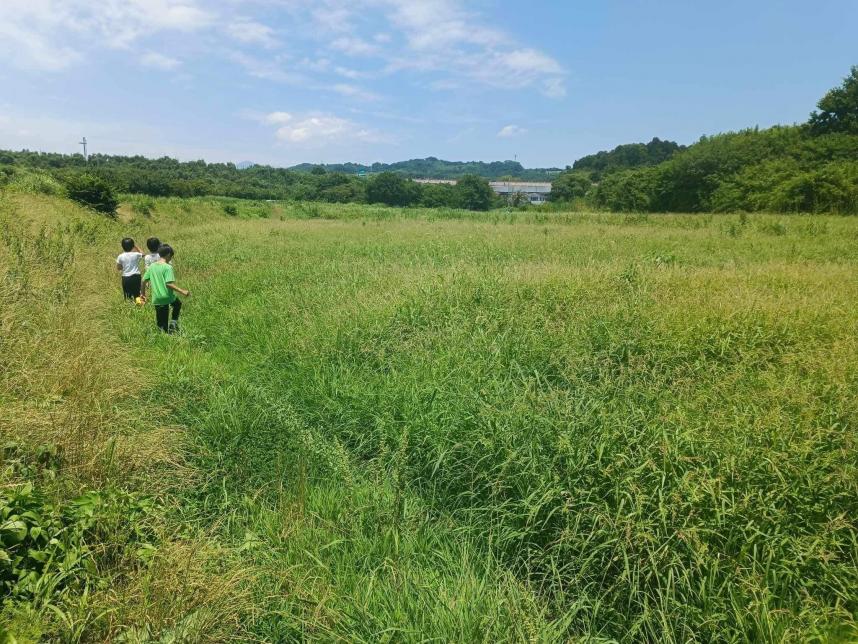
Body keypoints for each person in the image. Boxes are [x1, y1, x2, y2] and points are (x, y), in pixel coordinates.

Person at [141, 244, 190, 333]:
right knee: (176, 306)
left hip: (157, 298)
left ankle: (171, 325)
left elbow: (143, 281)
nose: (171, 258)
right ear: (168, 255)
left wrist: (143, 295)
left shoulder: (152, 266)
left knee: (175, 306)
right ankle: (172, 324)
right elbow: (169, 284)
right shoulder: (168, 267)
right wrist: (182, 291)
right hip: (166, 297)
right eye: (171, 256)